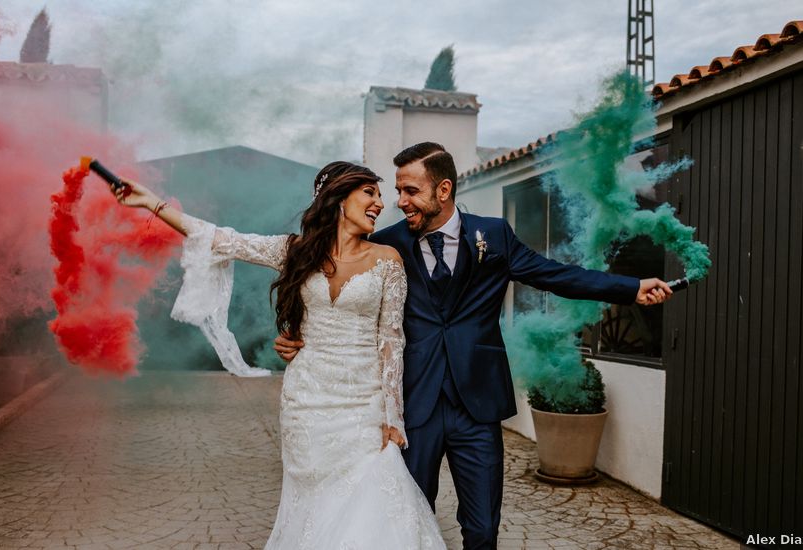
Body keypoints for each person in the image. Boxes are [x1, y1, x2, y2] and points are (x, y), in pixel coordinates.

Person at [275, 142, 673, 550]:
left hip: (478, 406)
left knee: (483, 529)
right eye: (397, 191)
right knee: (409, 520)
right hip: (415, 406)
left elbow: (554, 274)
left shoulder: (494, 235)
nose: (400, 202)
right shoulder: (388, 245)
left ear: (442, 190)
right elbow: (333, 282)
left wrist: (630, 288)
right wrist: (300, 334)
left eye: (410, 191)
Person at [110, 161, 446, 549]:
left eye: (379, 196)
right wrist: (151, 202)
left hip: (364, 404)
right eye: (370, 192)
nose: (379, 203)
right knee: (315, 503)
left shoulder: (388, 260)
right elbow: (220, 239)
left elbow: (391, 341)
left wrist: (394, 416)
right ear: (338, 197)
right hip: (306, 402)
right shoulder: (294, 252)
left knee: (374, 498)